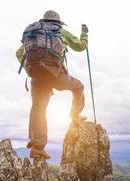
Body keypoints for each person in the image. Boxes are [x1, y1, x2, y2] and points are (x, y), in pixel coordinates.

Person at [16, 10, 89, 159]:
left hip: (36, 76)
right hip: (56, 75)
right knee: (78, 86)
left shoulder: (32, 32)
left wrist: (29, 68)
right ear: (57, 21)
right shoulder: (60, 30)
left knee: (38, 108)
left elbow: (19, 53)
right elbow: (81, 46)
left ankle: (37, 147)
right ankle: (75, 116)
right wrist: (85, 34)